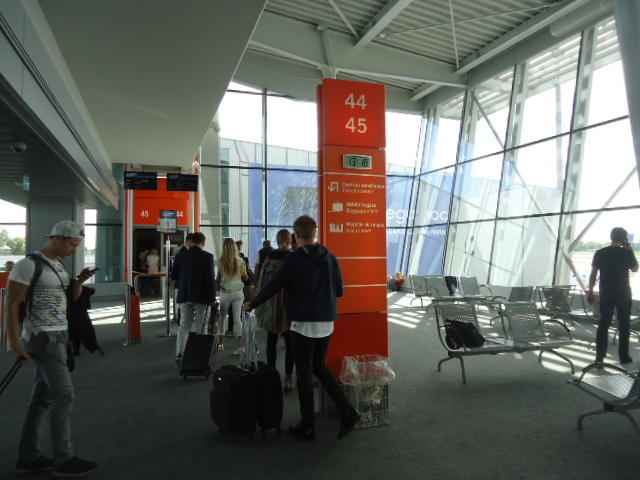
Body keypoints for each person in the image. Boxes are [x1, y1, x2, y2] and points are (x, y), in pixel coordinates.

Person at [243, 215, 360, 441]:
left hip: (303, 323)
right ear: (315, 233)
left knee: (304, 373)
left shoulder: (295, 259)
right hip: (327, 322)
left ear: (296, 236)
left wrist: (252, 303)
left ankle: (307, 426)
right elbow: (339, 291)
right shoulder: (330, 257)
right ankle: (348, 411)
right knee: (320, 366)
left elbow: (274, 286)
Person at [6, 220, 99, 477]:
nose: (74, 250)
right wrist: (14, 343)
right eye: (72, 245)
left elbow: (71, 299)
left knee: (42, 398)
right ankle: (64, 459)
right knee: (64, 395)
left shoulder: (57, 265)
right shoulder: (28, 265)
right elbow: (11, 304)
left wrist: (79, 281)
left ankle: (28, 457)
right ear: (57, 238)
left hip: (58, 335)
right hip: (42, 336)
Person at [587, 227, 639, 365]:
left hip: (606, 293)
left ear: (611, 237)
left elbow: (593, 274)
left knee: (603, 324)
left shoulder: (600, 252)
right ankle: (624, 356)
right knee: (624, 325)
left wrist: (590, 291)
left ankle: (599, 357)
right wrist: (631, 251)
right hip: (623, 293)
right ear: (624, 239)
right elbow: (635, 269)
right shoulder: (626, 253)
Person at [254, 230, 294, 393]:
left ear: (277, 241)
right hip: (290, 306)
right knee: (290, 344)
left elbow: (261, 284)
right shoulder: (294, 258)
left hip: (271, 305)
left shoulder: (269, 258)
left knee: (271, 342)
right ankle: (288, 377)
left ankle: (272, 376)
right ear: (290, 240)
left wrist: (257, 304)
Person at [172, 232, 215, 361]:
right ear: (203, 243)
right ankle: (200, 355)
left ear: (191, 241)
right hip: (202, 297)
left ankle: (180, 353)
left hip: (184, 295)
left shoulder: (180, 256)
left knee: (184, 325)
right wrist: (212, 298)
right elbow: (209, 279)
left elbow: (174, 276)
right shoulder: (207, 256)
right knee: (201, 326)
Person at [217, 238, 247, 353]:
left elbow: (218, 278)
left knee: (222, 318)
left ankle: (220, 344)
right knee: (237, 318)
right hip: (238, 293)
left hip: (225, 293)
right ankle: (242, 346)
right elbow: (245, 277)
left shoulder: (220, 261)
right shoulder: (240, 261)